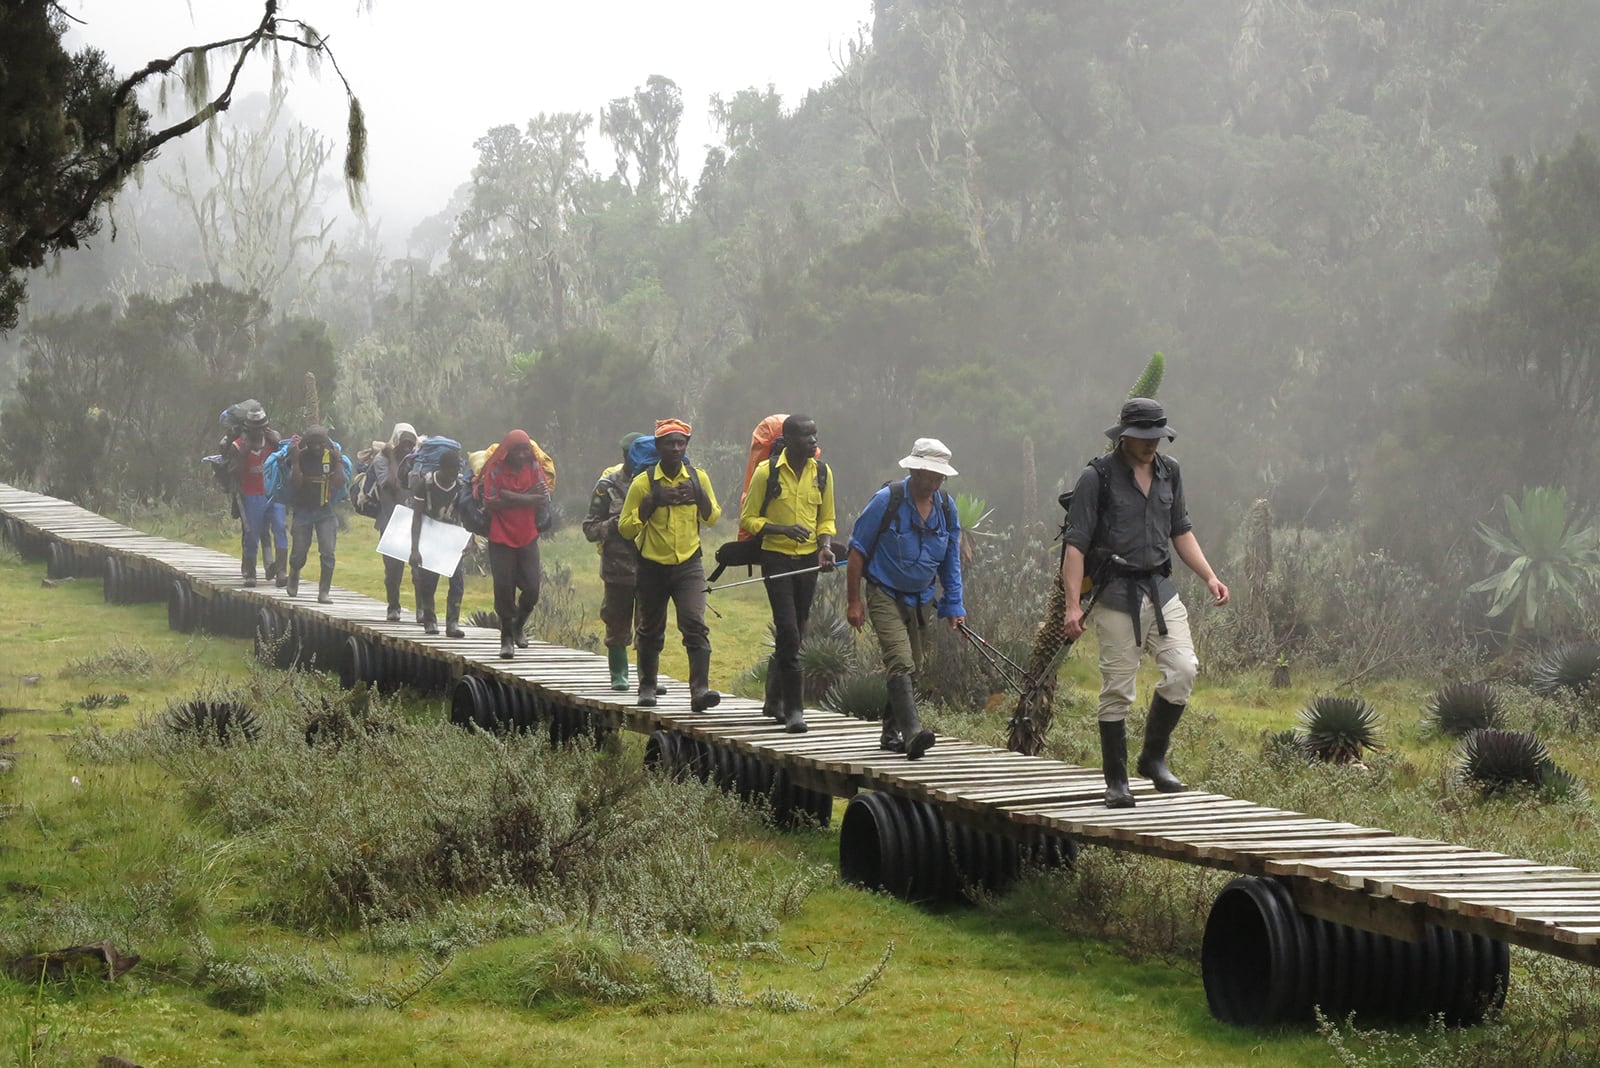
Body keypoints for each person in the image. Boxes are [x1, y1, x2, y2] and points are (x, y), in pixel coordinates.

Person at [1061, 397, 1229, 808]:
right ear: (1124, 436)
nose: (1152, 444)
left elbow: (1180, 530)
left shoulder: (1170, 472)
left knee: (1183, 669)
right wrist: (1072, 605)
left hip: (1160, 589)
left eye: (1158, 436)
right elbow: (1075, 544)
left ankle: (1152, 758)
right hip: (1115, 594)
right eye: (1143, 437)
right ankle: (1116, 781)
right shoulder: (1096, 476)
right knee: (1118, 689)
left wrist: (1209, 576)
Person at [846, 438, 965, 760]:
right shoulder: (888, 500)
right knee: (901, 660)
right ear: (914, 470)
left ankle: (890, 733)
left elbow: (950, 560)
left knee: (913, 667)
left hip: (922, 598)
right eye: (928, 475)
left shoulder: (945, 507)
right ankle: (912, 733)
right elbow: (856, 551)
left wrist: (954, 604)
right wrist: (854, 602)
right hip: (884, 591)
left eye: (940, 477)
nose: (934, 482)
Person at [739, 414, 836, 734]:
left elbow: (827, 519)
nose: (814, 441)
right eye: (807, 436)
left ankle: (772, 699)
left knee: (795, 632)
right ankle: (795, 711)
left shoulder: (822, 473)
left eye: (816, 435)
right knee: (789, 630)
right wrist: (781, 529)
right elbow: (749, 519)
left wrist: (825, 546)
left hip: (808, 561)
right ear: (790, 440)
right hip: (777, 560)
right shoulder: (767, 473)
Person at [617, 419, 722, 712]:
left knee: (694, 624)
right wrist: (650, 503)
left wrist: (698, 495)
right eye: (669, 443)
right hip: (652, 565)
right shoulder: (643, 483)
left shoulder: (699, 478)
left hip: (689, 564)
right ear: (658, 446)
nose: (675, 448)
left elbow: (713, 518)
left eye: (681, 443)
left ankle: (700, 690)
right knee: (650, 628)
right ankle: (647, 686)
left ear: (687, 445)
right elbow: (625, 529)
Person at [583, 432, 646, 691]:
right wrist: (615, 524)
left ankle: (647, 676)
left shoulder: (655, 482)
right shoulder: (607, 485)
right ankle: (618, 674)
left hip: (651, 566)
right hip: (617, 568)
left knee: (649, 626)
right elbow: (589, 529)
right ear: (625, 456)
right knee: (617, 621)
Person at [478, 429, 548, 659]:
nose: (520, 455)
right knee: (504, 588)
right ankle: (506, 637)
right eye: (516, 450)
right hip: (500, 537)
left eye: (524, 450)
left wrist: (511, 496)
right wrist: (526, 496)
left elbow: (542, 497)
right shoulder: (496, 470)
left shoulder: (534, 467)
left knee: (532, 589)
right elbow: (491, 503)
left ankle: (519, 624)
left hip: (528, 534)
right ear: (507, 452)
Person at [408, 442, 467, 638]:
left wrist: (469, 539)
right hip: (430, 536)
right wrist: (414, 549)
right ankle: (430, 620)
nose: (454, 473)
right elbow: (416, 517)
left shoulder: (460, 486)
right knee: (428, 581)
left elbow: (465, 515)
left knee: (457, 581)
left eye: (457, 469)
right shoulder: (425, 485)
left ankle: (452, 623)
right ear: (442, 468)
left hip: (451, 538)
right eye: (451, 469)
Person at [224, 406, 285, 588]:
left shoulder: (273, 441)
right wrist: (244, 453)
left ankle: (281, 570)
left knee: (280, 527)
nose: (258, 431)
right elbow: (233, 471)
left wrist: (279, 445)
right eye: (254, 428)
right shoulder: (237, 446)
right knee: (252, 533)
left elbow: (284, 460)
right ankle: (250, 572)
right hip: (251, 495)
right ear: (248, 429)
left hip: (273, 493)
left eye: (262, 427)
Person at [285, 426, 346, 604]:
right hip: (302, 510)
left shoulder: (330, 457)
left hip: (324, 511)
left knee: (328, 552)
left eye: (321, 443)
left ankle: (324, 592)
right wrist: (295, 462)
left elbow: (339, 483)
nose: (317, 446)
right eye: (313, 443)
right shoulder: (300, 457)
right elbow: (295, 483)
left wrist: (339, 461)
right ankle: (294, 573)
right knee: (299, 552)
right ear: (307, 443)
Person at [370, 422, 418, 621]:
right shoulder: (382, 459)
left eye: (410, 445)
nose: (406, 449)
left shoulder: (416, 460)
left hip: (414, 520)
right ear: (395, 442)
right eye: (403, 445)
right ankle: (393, 606)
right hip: (390, 519)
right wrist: (391, 458)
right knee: (393, 569)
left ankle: (422, 609)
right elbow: (392, 485)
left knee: (419, 568)